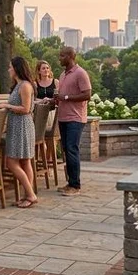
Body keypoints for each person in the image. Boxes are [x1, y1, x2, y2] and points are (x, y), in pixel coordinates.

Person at [0, 57, 38, 208]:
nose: (8, 69)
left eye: (10, 67)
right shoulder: (18, 85)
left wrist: (6, 106)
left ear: (16, 68)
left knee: (11, 162)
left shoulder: (25, 86)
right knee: (24, 161)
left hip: (21, 126)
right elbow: (13, 102)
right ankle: (28, 195)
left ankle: (31, 195)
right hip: (18, 125)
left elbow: (25, 109)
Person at [53, 47, 91, 197]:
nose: (59, 58)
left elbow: (87, 94)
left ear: (70, 57)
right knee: (67, 151)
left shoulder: (80, 73)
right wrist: (55, 100)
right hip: (63, 117)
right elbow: (62, 96)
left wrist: (66, 97)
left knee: (72, 149)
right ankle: (70, 183)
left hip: (75, 118)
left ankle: (75, 185)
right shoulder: (62, 75)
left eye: (62, 56)